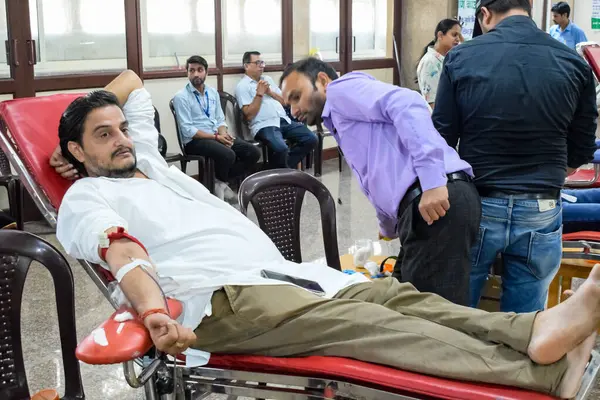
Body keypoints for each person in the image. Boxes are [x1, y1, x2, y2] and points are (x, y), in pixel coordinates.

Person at [52, 69, 600, 399]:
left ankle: (532, 331)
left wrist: (89, 114)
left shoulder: (146, 156)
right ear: (76, 153)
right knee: (372, 324)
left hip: (286, 277)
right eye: (103, 136)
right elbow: (122, 253)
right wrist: (153, 313)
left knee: (395, 294)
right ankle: (539, 374)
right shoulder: (86, 197)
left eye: (121, 127)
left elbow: (132, 84)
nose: (121, 139)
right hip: (223, 301)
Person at [432, 0, 598, 313]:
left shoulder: (461, 56)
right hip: (542, 206)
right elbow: (582, 146)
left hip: (478, 204)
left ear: (484, 14)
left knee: (459, 317)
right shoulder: (573, 61)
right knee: (524, 325)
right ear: (530, 8)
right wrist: (551, 171)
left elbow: (441, 139)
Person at [279, 58, 480, 306]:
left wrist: (432, 180)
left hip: (436, 199)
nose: (293, 111)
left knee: (429, 322)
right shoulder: (341, 117)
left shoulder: (341, 90)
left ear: (322, 80)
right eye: (288, 104)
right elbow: (375, 173)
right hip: (424, 206)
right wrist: (387, 226)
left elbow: (407, 102)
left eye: (296, 97)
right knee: (400, 305)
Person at [173, 55, 260, 201]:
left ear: (206, 73)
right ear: (187, 73)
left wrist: (224, 134)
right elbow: (188, 130)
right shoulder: (181, 97)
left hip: (216, 136)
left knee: (253, 152)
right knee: (228, 154)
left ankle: (219, 182)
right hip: (195, 141)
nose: (195, 74)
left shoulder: (212, 93)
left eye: (199, 70)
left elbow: (220, 119)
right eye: (191, 70)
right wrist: (216, 137)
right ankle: (220, 184)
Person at [235, 51, 317, 169]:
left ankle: (279, 172)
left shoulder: (267, 79)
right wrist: (259, 94)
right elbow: (248, 115)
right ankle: (282, 174)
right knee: (281, 149)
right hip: (264, 125)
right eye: (257, 63)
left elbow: (285, 102)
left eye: (262, 62)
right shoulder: (242, 86)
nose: (261, 66)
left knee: (310, 139)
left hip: (283, 121)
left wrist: (270, 92)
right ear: (246, 66)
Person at [416, 19, 462, 108]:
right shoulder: (430, 62)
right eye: (454, 35)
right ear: (440, 35)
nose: (458, 39)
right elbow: (432, 103)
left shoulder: (447, 59)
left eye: (459, 36)